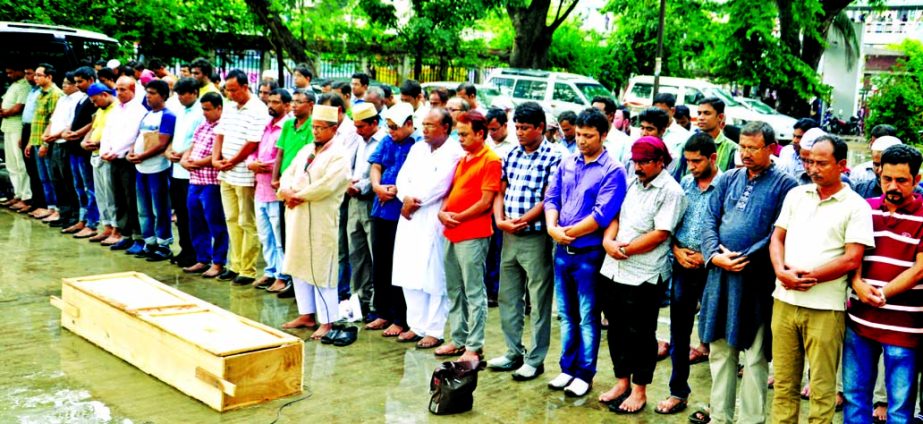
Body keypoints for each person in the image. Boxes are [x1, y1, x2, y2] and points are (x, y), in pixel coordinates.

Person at [689, 122, 799, 424]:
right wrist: (714, 255)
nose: (746, 153)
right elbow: (709, 218)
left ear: (771, 148)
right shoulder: (728, 178)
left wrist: (743, 257)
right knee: (720, 351)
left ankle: (751, 420)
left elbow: (779, 232)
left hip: (756, 282)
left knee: (755, 356)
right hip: (720, 277)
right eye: (743, 147)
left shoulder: (786, 186)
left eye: (753, 147)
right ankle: (720, 417)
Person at [769, 134, 874, 424]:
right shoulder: (796, 195)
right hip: (784, 300)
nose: (813, 169)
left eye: (821, 163)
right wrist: (781, 272)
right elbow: (777, 239)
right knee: (784, 384)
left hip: (826, 308)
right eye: (809, 161)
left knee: (822, 388)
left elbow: (852, 258)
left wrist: (808, 277)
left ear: (842, 165)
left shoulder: (856, 206)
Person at [597, 136, 686, 414]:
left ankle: (639, 389)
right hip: (614, 268)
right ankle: (621, 381)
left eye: (645, 162)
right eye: (636, 161)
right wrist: (608, 242)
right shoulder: (632, 181)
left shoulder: (671, 191)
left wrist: (625, 249)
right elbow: (615, 216)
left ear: (661, 162)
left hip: (644, 273)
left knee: (641, 333)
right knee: (615, 328)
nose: (639, 167)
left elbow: (661, 233)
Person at [544, 108, 627, 398]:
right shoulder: (567, 163)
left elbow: (602, 214)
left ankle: (584, 372)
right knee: (566, 314)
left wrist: (568, 232)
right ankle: (567, 368)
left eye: (589, 136)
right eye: (579, 134)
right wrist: (553, 227)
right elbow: (552, 197)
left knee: (587, 316)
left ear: (603, 135)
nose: (581, 140)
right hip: (561, 249)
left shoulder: (613, 170)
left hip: (589, 254)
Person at [844, 144, 923, 424]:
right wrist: (858, 284)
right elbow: (852, 256)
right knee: (854, 399)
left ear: (916, 178)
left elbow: (920, 269)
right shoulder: (866, 209)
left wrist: (879, 293)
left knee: (900, 410)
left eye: (901, 180)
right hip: (860, 322)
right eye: (886, 178)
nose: (892, 186)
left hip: (904, 328)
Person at [486, 101, 562, 381]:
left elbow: (549, 198)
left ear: (540, 128)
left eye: (525, 128)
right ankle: (513, 351)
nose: (519, 132)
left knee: (539, 300)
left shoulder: (554, 156)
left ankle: (535, 359)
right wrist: (500, 220)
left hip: (535, 236)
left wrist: (524, 220)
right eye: (516, 127)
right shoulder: (511, 155)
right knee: (508, 296)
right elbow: (499, 190)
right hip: (508, 233)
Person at [654, 132, 720, 416]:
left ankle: (717, 402)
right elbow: (671, 224)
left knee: (717, 335)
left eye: (697, 161)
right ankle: (678, 391)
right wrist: (677, 250)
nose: (691, 166)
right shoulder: (685, 185)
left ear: (712, 158)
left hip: (715, 267)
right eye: (688, 161)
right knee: (679, 331)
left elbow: (729, 228)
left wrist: (708, 255)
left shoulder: (726, 186)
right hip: (683, 263)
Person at [392, 107, 464, 348]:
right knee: (408, 270)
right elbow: (403, 177)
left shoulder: (454, 151)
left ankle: (434, 329)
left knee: (433, 274)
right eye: (423, 125)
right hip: (409, 212)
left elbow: (440, 184)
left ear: (445, 127)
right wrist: (405, 198)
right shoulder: (418, 148)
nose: (425, 130)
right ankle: (416, 325)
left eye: (431, 125)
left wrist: (415, 200)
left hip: (432, 214)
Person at [278, 104, 351, 339]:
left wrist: (297, 195)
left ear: (333, 129)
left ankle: (327, 321)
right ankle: (306, 313)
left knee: (322, 268)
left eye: (321, 128)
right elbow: (287, 174)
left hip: (320, 217)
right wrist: (286, 191)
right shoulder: (307, 150)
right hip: (297, 215)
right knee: (298, 264)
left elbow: (327, 185)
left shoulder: (339, 155)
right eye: (314, 127)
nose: (316, 132)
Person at [435, 111, 502, 363]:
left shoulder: (491, 160)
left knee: (474, 291)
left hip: (473, 233)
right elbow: (452, 192)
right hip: (452, 231)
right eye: (458, 133)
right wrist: (444, 214)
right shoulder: (465, 159)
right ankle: (458, 338)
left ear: (480, 134)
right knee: (454, 289)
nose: (459, 138)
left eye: (464, 134)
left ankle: (474, 345)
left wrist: (457, 216)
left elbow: (486, 202)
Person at [366, 103, 420, 336]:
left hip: (403, 214)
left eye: (395, 128)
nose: (391, 132)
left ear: (409, 124)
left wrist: (398, 189)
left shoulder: (417, 145)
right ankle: (382, 312)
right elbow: (376, 165)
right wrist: (377, 186)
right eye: (389, 127)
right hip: (381, 209)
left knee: (400, 266)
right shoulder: (387, 141)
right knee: (380, 264)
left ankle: (401, 317)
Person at [212, 69, 268, 286]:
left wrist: (232, 160)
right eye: (228, 90)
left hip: (244, 173)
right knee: (231, 219)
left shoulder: (258, 110)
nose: (230, 94)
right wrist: (216, 159)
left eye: (234, 90)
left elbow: (253, 142)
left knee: (247, 221)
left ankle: (247, 268)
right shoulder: (229, 107)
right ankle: (234, 265)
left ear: (245, 87)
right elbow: (220, 133)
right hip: (226, 171)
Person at [180, 92, 228, 278]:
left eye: (208, 109)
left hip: (211, 182)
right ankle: (202, 258)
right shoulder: (203, 125)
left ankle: (218, 262)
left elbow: (219, 154)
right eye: (203, 109)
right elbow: (192, 146)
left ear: (219, 108)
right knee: (196, 221)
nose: (205, 113)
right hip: (195, 180)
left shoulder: (223, 128)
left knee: (215, 223)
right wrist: (185, 159)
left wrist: (197, 163)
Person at [247, 88, 292, 289]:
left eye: (276, 102)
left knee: (278, 235)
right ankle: (270, 271)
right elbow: (253, 152)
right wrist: (252, 163)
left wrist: (264, 165)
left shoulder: (287, 127)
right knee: (265, 235)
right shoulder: (266, 126)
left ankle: (283, 275)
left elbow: (285, 158)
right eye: (269, 101)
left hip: (276, 191)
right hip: (260, 190)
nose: (271, 105)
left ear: (286, 105)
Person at [128, 79, 176, 261]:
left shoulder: (168, 116)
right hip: (141, 168)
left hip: (157, 168)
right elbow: (138, 137)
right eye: (147, 93)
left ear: (163, 95)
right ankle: (149, 241)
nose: (148, 96)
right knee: (144, 207)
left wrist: (141, 156)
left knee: (160, 207)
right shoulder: (147, 115)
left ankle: (163, 244)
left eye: (153, 93)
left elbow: (162, 144)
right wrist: (132, 152)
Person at [100, 76, 147, 253]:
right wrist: (106, 149)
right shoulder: (115, 110)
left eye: (123, 89)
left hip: (127, 160)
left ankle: (138, 236)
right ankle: (124, 234)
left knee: (131, 199)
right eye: (117, 89)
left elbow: (132, 134)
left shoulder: (138, 110)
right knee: (118, 197)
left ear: (132, 90)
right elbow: (108, 131)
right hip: (113, 159)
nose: (119, 93)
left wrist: (116, 151)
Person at [346, 103, 384, 320]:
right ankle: (358, 300)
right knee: (356, 253)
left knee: (374, 254)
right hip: (354, 201)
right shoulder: (359, 140)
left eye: (361, 126)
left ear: (374, 123)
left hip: (371, 202)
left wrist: (359, 186)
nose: (358, 130)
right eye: (356, 126)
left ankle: (376, 303)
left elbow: (376, 173)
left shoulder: (383, 142)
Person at [164, 77, 204, 267]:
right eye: (178, 93)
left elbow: (198, 140)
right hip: (177, 170)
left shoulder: (200, 113)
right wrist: (170, 150)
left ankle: (196, 252)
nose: (179, 97)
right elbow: (177, 136)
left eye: (183, 94)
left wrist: (182, 153)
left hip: (191, 171)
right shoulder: (181, 112)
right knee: (180, 212)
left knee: (191, 214)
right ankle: (185, 248)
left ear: (194, 92)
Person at [41, 70, 82, 231]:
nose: (64, 86)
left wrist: (55, 136)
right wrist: (47, 134)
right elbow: (53, 120)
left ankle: (74, 215)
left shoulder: (77, 100)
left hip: (65, 142)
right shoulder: (62, 99)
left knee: (68, 180)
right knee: (56, 179)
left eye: (67, 83)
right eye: (63, 83)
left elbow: (70, 124)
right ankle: (63, 213)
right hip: (54, 143)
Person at [64, 67, 100, 239]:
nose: (77, 85)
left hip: (85, 148)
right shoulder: (81, 98)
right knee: (79, 186)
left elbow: (93, 123)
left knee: (89, 187)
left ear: (91, 80)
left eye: (81, 81)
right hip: (74, 147)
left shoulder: (95, 98)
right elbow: (74, 120)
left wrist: (77, 134)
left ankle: (92, 223)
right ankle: (82, 219)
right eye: (76, 82)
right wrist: (69, 131)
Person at [81, 83, 118, 243]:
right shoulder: (100, 110)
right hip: (95, 155)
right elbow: (93, 128)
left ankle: (116, 228)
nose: (95, 104)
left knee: (111, 195)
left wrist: (100, 143)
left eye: (96, 100)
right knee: (101, 194)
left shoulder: (117, 109)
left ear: (104, 94)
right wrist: (85, 141)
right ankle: (107, 226)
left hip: (108, 156)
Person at [27, 63, 63, 224]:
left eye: (39, 75)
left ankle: (57, 208)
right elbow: (37, 120)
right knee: (43, 178)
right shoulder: (40, 93)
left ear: (49, 77)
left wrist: (45, 144)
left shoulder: (55, 94)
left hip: (47, 142)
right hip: (36, 140)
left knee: (52, 177)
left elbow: (53, 121)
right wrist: (30, 142)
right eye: (35, 75)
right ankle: (50, 206)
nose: (35, 78)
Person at [1, 65, 33, 212]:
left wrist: (6, 112)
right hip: (8, 127)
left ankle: (26, 196)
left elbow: (19, 107)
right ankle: (17, 194)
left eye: (11, 71)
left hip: (17, 128)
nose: (9, 74)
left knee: (21, 164)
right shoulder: (13, 85)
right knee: (11, 164)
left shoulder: (24, 86)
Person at [591, 96, 632, 163]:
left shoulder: (625, 143)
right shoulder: (584, 138)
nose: (592, 116)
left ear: (611, 116)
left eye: (597, 112)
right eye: (591, 112)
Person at [652, 93, 691, 157]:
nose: (658, 116)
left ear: (673, 111)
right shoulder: (645, 132)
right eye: (656, 112)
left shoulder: (684, 136)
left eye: (663, 112)